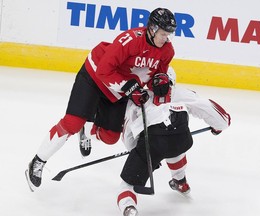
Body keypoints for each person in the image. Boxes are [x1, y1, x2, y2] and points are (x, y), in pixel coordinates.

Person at [25, 8, 177, 192]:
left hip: (119, 91)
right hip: (94, 77)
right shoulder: (130, 40)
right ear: (152, 29)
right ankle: (38, 160)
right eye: (163, 33)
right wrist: (131, 89)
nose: (166, 38)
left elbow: (155, 76)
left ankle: (86, 129)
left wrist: (159, 84)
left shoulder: (167, 50)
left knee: (111, 137)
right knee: (72, 122)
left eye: (169, 34)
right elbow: (103, 70)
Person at [116, 68, 231, 216]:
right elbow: (216, 115)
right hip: (182, 139)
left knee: (127, 184)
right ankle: (180, 182)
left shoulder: (138, 99)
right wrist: (219, 126)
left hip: (153, 144)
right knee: (174, 144)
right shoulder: (182, 93)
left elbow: (128, 135)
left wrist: (139, 152)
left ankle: (129, 208)